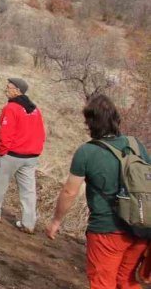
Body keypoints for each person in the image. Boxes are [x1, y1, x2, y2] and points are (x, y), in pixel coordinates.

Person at [46, 94, 150, 288]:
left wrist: (56, 221)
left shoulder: (86, 152)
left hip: (107, 231)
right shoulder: (136, 145)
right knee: (126, 281)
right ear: (116, 119)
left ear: (90, 123)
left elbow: (70, 192)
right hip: (142, 228)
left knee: (103, 282)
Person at [0, 77, 46, 233]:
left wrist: (2, 151)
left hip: (13, 154)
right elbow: (40, 133)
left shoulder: (11, 108)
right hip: (31, 156)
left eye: (8, 88)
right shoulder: (35, 109)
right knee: (28, 190)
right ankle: (28, 223)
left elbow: (6, 133)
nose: (5, 90)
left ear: (17, 91)